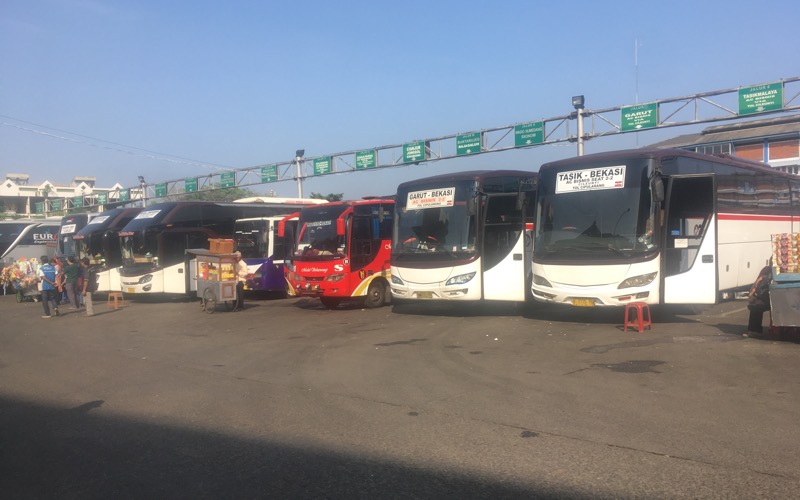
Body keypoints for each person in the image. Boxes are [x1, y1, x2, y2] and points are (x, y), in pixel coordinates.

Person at [746, 264, 772, 337]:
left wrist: (751, 296)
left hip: (768, 300)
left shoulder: (766, 270)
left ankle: (754, 331)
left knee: (755, 306)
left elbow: (755, 286)